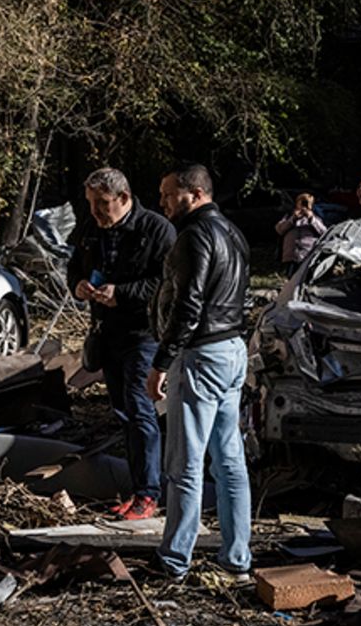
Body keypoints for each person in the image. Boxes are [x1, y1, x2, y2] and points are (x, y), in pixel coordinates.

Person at [147, 164, 252, 583]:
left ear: (194, 193)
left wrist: (161, 362)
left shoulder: (194, 236)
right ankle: (237, 559)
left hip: (202, 354)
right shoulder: (233, 233)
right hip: (233, 350)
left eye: (168, 194)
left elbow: (187, 307)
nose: (162, 203)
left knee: (185, 464)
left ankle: (174, 560)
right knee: (230, 461)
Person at [67, 167, 176, 521]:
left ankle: (149, 494)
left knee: (140, 409)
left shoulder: (156, 230)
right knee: (124, 413)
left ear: (124, 199)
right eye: (91, 204)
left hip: (142, 334)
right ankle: (138, 488)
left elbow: (167, 283)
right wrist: (80, 285)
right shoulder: (90, 229)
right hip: (106, 332)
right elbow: (73, 267)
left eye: (102, 204)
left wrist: (124, 294)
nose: (96, 212)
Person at [274, 193, 326, 277]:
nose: (303, 207)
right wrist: (293, 219)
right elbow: (279, 229)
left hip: (307, 254)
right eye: (302, 203)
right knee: (291, 279)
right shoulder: (289, 216)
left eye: (306, 203)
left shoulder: (316, 217)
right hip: (292, 255)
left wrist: (311, 219)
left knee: (305, 278)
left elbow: (324, 232)